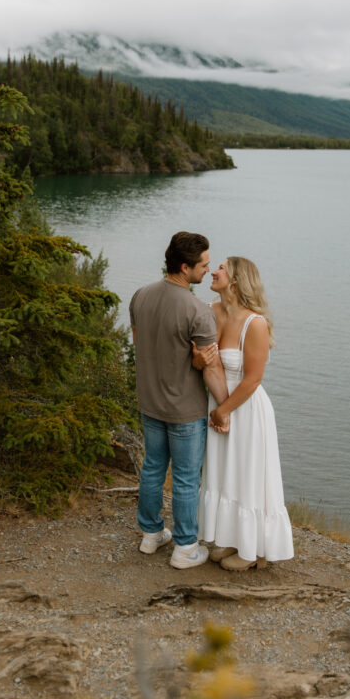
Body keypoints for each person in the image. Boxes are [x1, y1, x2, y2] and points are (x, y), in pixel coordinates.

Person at [130, 232, 229, 569]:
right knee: (187, 479)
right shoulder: (198, 311)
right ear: (185, 267)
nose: (208, 269)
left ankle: (151, 534)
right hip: (184, 410)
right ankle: (186, 547)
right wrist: (227, 406)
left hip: (149, 402)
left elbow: (140, 343)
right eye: (203, 264)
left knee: (153, 468)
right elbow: (212, 369)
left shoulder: (140, 295)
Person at [194, 256, 294, 571]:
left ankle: (252, 551)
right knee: (223, 472)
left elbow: (252, 379)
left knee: (247, 474)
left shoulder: (255, 323)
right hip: (217, 406)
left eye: (220, 268)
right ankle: (228, 538)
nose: (212, 271)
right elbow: (200, 362)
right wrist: (198, 362)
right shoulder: (210, 311)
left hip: (246, 408)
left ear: (235, 280)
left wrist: (224, 411)